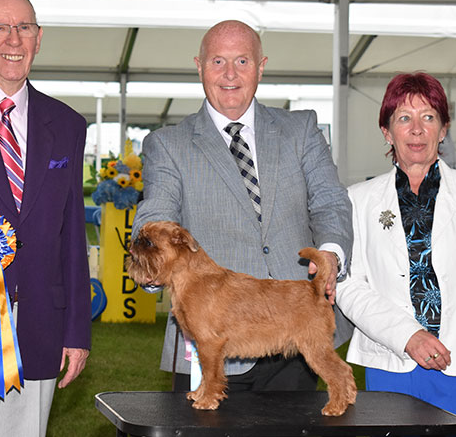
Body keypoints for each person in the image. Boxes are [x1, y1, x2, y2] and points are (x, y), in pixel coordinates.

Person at [132, 20, 353, 392]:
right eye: (217, 61)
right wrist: (152, 257)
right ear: (199, 66)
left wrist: (330, 254)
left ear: (261, 66)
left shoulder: (300, 129)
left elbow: (330, 201)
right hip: (208, 332)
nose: (230, 74)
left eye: (242, 62)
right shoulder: (168, 143)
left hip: (291, 329)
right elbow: (158, 209)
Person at [0, 0, 91, 436]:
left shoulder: (68, 124)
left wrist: (76, 330)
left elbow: (71, 235)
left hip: (39, 331)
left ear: (38, 38)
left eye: (25, 27)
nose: (13, 39)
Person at [336, 72, 456, 414]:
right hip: (390, 361)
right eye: (404, 118)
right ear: (387, 132)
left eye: (428, 117)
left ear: (443, 129)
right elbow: (347, 284)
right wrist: (408, 336)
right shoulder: (356, 201)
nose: (416, 129)